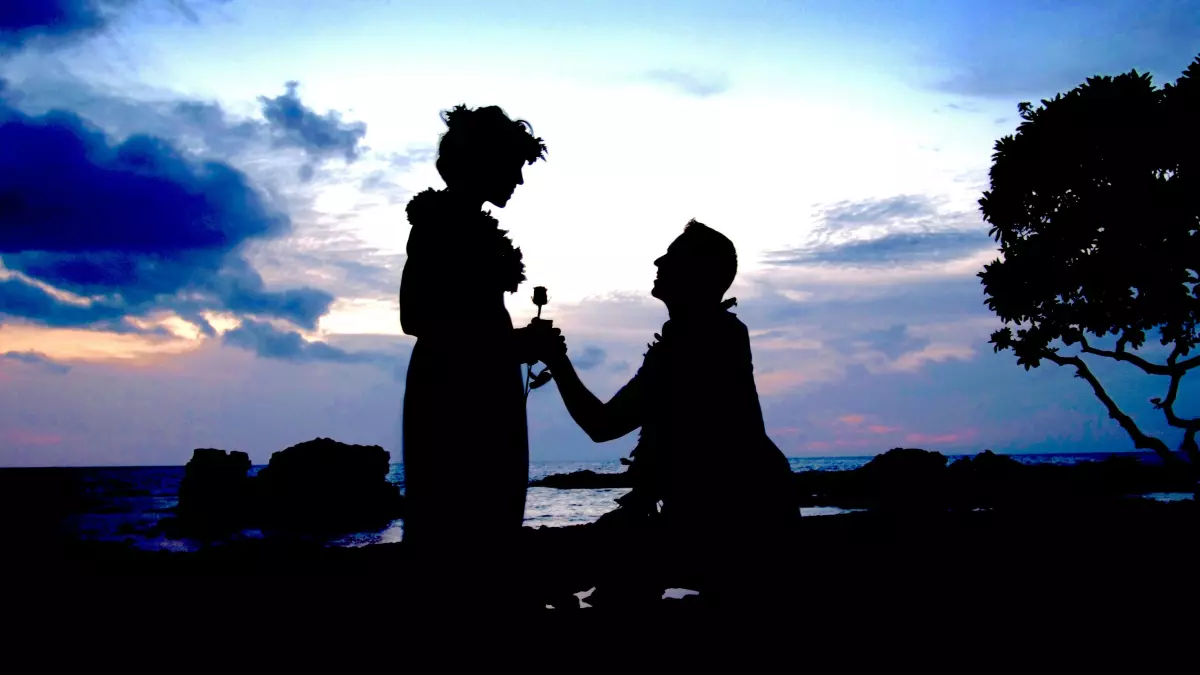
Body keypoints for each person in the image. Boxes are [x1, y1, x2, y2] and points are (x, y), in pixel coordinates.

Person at [543, 220, 799, 608]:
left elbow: (603, 425)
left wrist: (556, 360)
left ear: (697, 274)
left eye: (673, 256)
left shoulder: (695, 343)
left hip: (731, 519)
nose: (659, 261)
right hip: (740, 507)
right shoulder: (708, 334)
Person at [399, 104, 559, 608]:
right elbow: (416, 316)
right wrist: (511, 347)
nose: (517, 179)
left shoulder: (463, 221)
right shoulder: (439, 223)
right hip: (454, 394)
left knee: (490, 508)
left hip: (482, 386)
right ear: (484, 162)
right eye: (512, 165)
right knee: (462, 512)